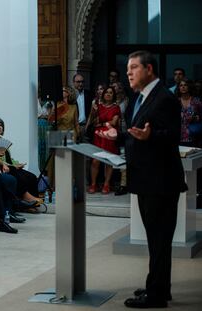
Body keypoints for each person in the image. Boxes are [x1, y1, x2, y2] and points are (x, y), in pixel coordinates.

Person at [100, 50, 187, 308]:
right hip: (147, 179)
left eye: (134, 68)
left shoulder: (164, 98)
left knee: (159, 238)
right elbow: (138, 132)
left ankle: (156, 294)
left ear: (149, 69)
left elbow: (171, 136)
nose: (128, 73)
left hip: (159, 181)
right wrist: (121, 135)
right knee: (155, 238)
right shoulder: (142, 97)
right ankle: (159, 286)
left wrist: (150, 137)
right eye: (127, 69)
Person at [0, 117, 41, 207]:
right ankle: (25, 198)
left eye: (1, 125)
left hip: (10, 165)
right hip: (0, 167)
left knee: (31, 176)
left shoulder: (2, 140)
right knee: (19, 176)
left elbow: (9, 158)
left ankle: (33, 203)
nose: (0, 127)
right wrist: (9, 165)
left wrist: (16, 163)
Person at [86, 86, 121, 194]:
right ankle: (93, 184)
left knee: (108, 161)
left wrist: (101, 123)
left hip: (109, 135)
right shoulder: (98, 106)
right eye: (107, 92)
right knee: (95, 161)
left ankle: (106, 184)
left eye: (111, 93)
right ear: (103, 94)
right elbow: (92, 119)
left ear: (113, 95)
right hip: (98, 135)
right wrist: (93, 110)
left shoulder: (116, 107)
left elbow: (114, 122)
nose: (109, 94)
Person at [175, 79, 202, 147]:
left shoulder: (196, 101)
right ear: (179, 88)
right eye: (181, 85)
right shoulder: (175, 102)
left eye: (185, 85)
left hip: (194, 136)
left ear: (189, 86)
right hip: (178, 137)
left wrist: (197, 118)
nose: (183, 87)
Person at [73, 73, 93, 140]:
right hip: (74, 127)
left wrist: (87, 126)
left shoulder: (89, 94)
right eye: (78, 82)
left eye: (82, 82)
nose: (81, 84)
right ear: (73, 82)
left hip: (86, 126)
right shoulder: (70, 95)